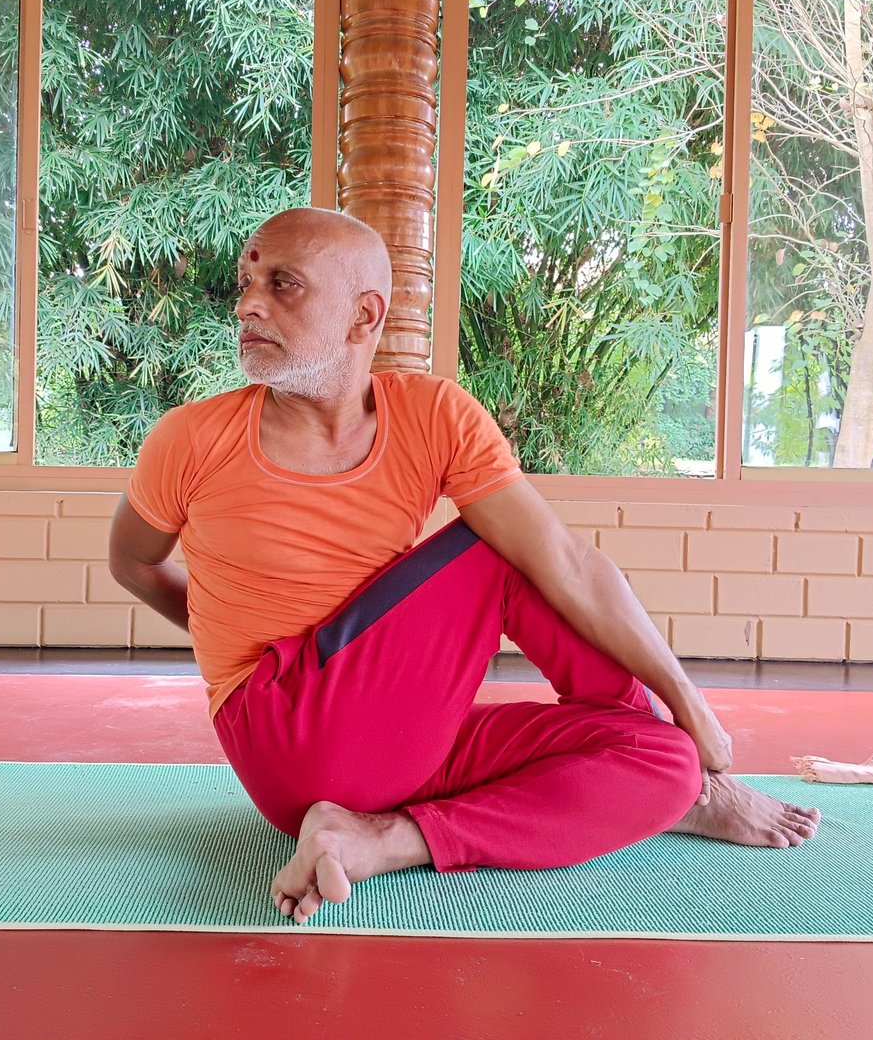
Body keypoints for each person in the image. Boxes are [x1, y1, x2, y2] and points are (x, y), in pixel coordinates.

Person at [108, 207, 820, 925]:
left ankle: (383, 839)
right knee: (499, 548)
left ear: (364, 315)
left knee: (659, 760)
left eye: (282, 284)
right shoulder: (192, 438)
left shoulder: (433, 415)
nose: (248, 304)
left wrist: (687, 708)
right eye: (247, 282)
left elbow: (572, 565)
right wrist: (239, 642)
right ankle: (700, 787)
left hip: (388, 738)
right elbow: (133, 563)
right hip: (283, 738)